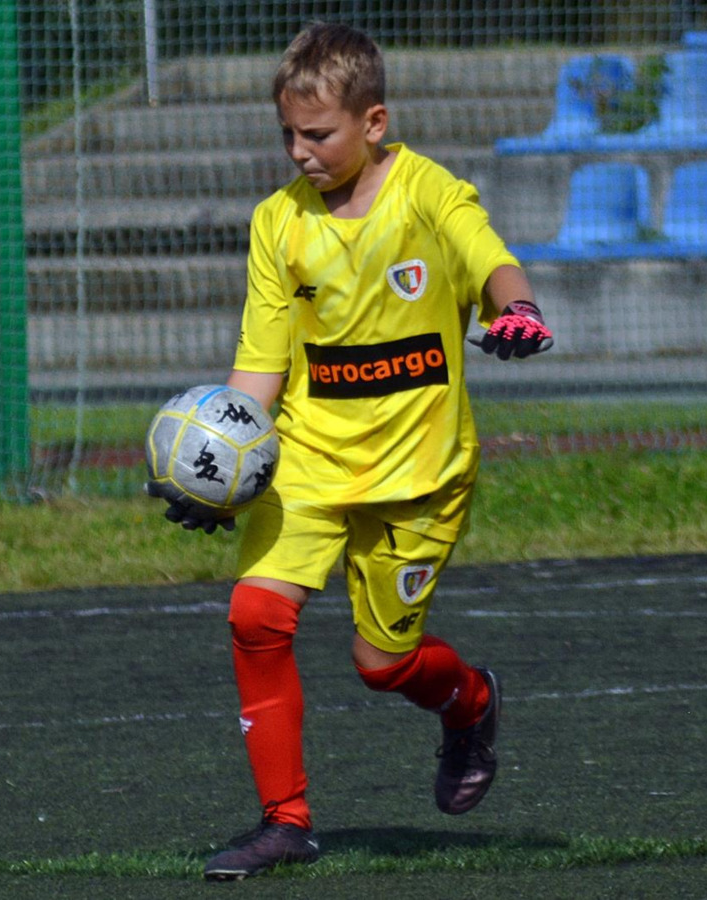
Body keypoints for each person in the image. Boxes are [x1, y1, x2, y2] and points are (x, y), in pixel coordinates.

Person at [147, 21, 553, 881]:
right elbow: (260, 370)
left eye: (318, 134)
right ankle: (284, 823)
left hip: (420, 476)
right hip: (307, 463)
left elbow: (496, 268)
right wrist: (218, 470)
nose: (300, 152)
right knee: (254, 616)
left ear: (374, 122)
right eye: (287, 134)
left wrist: (518, 311)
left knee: (383, 664)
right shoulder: (277, 223)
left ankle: (471, 702)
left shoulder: (431, 195)